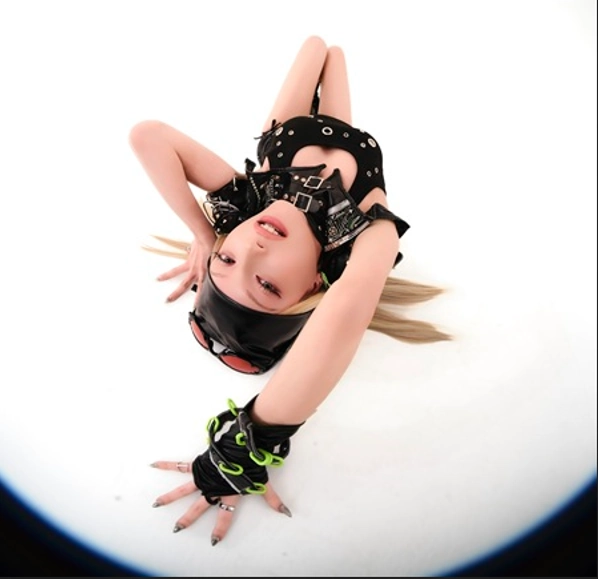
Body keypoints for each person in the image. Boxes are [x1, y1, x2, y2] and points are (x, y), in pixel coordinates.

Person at [129, 35, 451, 546]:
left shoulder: (247, 203)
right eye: (266, 284)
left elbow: (148, 135)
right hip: (348, 136)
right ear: (314, 286)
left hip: (286, 131)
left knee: (317, 45)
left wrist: (205, 235)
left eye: (228, 262)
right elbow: (344, 317)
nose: (252, 249)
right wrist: (244, 449)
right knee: (335, 54)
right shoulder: (368, 237)